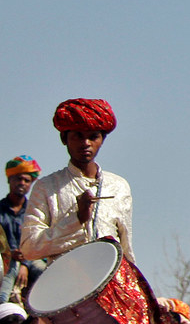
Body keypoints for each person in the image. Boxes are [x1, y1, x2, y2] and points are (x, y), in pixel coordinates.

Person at [21, 99, 133, 263]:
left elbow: (126, 248)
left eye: (93, 137)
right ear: (64, 138)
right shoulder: (47, 187)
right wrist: (77, 219)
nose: (86, 143)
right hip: (64, 284)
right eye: (78, 136)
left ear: (102, 139)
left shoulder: (118, 186)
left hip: (112, 282)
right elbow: (29, 248)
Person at [1, 157, 42, 302]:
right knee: (3, 294)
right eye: (18, 179)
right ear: (9, 180)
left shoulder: (35, 212)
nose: (22, 183)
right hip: (5, 261)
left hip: (31, 259)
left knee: (47, 274)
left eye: (27, 180)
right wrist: (9, 253)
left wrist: (24, 264)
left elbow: (40, 241)